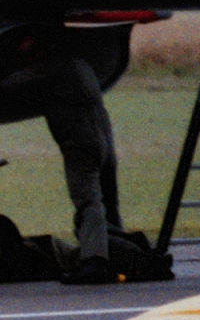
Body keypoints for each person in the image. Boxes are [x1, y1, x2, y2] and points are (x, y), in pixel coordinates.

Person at [0, 26, 122, 284]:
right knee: (105, 202)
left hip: (79, 145)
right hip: (101, 141)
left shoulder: (51, 69)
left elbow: (8, 86)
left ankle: (96, 262)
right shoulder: (80, 65)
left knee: (88, 202)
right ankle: (120, 251)